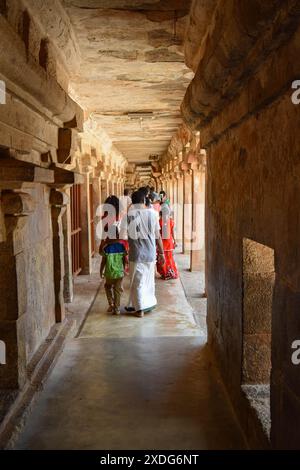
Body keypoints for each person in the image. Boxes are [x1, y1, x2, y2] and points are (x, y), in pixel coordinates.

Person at [120, 190, 165, 318]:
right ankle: (146, 305)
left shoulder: (128, 216)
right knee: (147, 280)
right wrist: (161, 253)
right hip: (150, 253)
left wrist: (124, 253)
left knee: (137, 281)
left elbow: (122, 236)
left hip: (136, 253)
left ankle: (140, 308)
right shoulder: (153, 214)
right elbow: (158, 236)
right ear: (143, 200)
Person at [100, 226, 127, 315]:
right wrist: (124, 269)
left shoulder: (106, 248)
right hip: (119, 273)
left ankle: (111, 303)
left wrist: (101, 271)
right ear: (118, 235)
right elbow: (124, 259)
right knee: (117, 290)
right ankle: (117, 308)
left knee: (107, 286)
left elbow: (103, 261)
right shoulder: (122, 246)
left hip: (109, 273)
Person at [157, 209, 178, 280]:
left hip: (162, 243)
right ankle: (171, 273)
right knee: (170, 259)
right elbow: (172, 232)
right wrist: (174, 241)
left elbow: (158, 234)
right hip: (169, 243)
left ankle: (165, 273)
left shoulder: (159, 222)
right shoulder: (171, 221)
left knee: (163, 259)